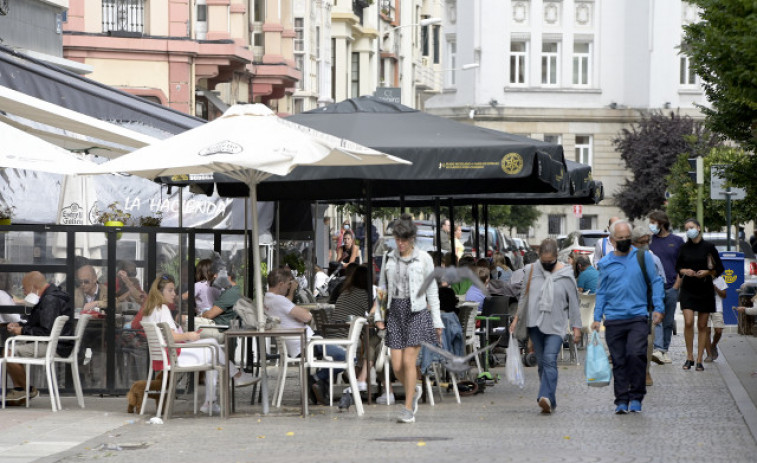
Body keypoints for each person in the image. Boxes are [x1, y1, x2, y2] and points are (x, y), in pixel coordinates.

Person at [141, 274, 254, 415]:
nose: (174, 293)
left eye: (173, 290)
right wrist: (189, 335)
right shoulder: (162, 309)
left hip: (165, 355)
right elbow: (172, 337)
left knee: (212, 347)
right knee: (213, 348)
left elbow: (166, 337)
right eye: (170, 290)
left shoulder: (150, 310)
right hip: (174, 355)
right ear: (159, 292)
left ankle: (212, 400)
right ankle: (233, 379)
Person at [374, 214, 442, 424]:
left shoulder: (424, 259)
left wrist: (437, 321)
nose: (400, 243)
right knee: (395, 367)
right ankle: (414, 389)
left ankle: (408, 407)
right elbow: (382, 288)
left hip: (417, 311)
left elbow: (432, 291)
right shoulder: (390, 257)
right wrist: (379, 315)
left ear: (412, 238)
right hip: (395, 311)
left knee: (408, 361)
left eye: (403, 240)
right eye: (397, 239)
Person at [593, 220, 664, 414]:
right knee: (619, 360)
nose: (624, 241)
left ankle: (636, 396)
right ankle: (622, 400)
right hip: (614, 319)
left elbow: (656, 281)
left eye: (627, 238)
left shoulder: (643, 257)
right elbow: (601, 292)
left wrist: (658, 307)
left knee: (636, 355)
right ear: (613, 240)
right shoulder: (606, 263)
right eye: (621, 238)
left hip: (638, 316)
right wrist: (597, 317)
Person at [509, 238, 581, 414]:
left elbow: (574, 301)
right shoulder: (532, 270)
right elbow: (524, 297)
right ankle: (550, 400)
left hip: (556, 324)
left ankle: (544, 396)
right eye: (544, 261)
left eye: (551, 261)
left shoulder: (566, 273)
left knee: (549, 360)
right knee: (541, 363)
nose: (547, 264)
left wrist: (576, 327)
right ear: (539, 256)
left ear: (557, 256)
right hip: (535, 324)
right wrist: (517, 318)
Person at [264, 268, 346, 405]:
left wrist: (291, 294)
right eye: (289, 284)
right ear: (281, 283)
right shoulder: (279, 300)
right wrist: (302, 311)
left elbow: (287, 307)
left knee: (331, 350)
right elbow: (307, 317)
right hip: (306, 343)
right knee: (346, 357)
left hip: (296, 343)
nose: (290, 286)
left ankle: (318, 386)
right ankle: (315, 380)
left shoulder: (268, 299)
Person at [4, 271, 75, 406]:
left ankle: (24, 390)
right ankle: (23, 389)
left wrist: (22, 330)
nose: (24, 293)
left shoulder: (49, 300)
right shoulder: (50, 296)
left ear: (33, 287)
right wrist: (20, 325)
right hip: (60, 344)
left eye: (24, 288)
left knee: (8, 351)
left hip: (55, 346)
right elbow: (40, 324)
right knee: (11, 348)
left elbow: (46, 332)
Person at [676, 218, 724, 371]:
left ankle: (698, 359)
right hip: (688, 289)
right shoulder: (683, 247)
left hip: (705, 289)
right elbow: (678, 266)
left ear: (698, 228)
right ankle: (689, 356)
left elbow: (720, 268)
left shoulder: (709, 247)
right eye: (686, 228)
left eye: (691, 227)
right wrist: (685, 271)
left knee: (702, 325)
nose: (689, 230)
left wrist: (708, 272)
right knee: (688, 322)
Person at [648, 210, 685, 366]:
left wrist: (677, 284)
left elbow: (682, 264)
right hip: (654, 287)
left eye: (652, 222)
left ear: (661, 223)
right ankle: (658, 349)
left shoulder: (677, 241)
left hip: (671, 287)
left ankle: (664, 350)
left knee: (669, 321)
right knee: (656, 319)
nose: (650, 225)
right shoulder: (649, 241)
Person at [631, 225, 666, 387]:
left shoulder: (652, 259)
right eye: (641, 242)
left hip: (647, 307)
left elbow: (659, 282)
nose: (645, 244)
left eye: (647, 241)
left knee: (648, 341)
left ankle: (645, 371)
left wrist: (659, 306)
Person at [333, 264, 377, 391]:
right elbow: (373, 315)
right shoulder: (363, 295)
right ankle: (359, 377)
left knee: (365, 340)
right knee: (371, 342)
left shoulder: (345, 292)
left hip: (334, 333)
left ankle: (356, 375)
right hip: (347, 336)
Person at [704, 275, 727, 362]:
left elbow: (724, 295)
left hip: (717, 308)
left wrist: (715, 288)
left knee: (718, 330)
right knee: (707, 331)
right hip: (705, 307)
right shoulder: (703, 278)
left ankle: (713, 345)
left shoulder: (720, 279)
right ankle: (709, 354)